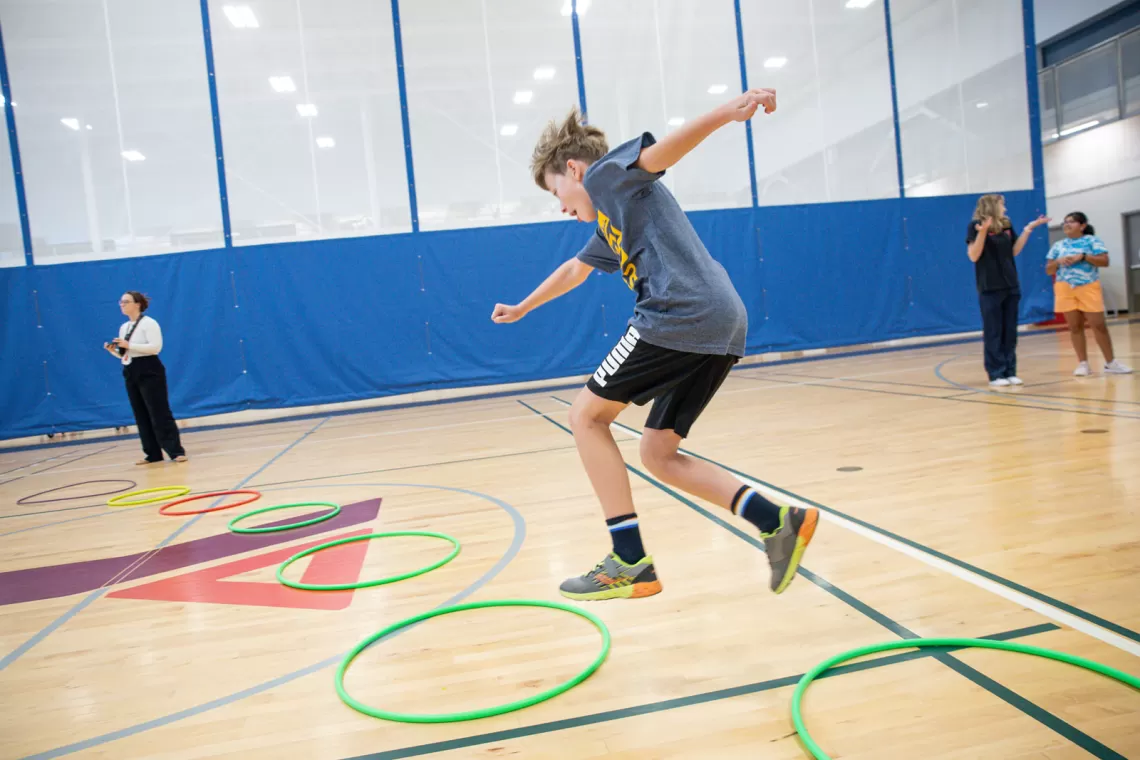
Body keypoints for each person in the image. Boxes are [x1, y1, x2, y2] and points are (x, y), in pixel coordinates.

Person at [491, 90, 818, 602]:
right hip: (721, 322)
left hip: (679, 314)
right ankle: (777, 520)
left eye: (557, 192)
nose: (561, 207)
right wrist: (524, 306)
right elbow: (576, 269)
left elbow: (661, 153)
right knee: (659, 453)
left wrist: (725, 113)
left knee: (585, 417)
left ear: (574, 170)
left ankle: (629, 560)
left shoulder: (606, 177)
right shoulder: (614, 218)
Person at [965, 194, 1049, 387]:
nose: (1005, 208)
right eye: (1002, 204)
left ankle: (1010, 371)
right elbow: (974, 255)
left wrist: (1028, 230)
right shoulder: (975, 226)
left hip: (1010, 284)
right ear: (992, 206)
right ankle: (995, 373)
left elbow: (1014, 251)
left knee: (1009, 331)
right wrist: (983, 233)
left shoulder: (1006, 225)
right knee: (993, 331)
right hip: (989, 286)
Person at [104, 291, 188, 465]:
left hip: (149, 369)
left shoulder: (149, 323)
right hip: (131, 369)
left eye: (126, 302)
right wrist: (114, 351)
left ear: (137, 304)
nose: (122, 305)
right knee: (140, 413)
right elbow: (126, 354)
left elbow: (155, 348)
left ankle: (175, 451)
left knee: (159, 411)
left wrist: (129, 345)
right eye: (121, 302)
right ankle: (152, 453)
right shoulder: (124, 327)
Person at [1046, 212, 1133, 376]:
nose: (1067, 225)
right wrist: (1058, 261)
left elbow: (1105, 261)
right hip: (1065, 288)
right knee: (1074, 327)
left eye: (1071, 222)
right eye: (1065, 222)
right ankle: (1083, 363)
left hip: (1088, 286)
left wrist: (1084, 257)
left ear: (1082, 225)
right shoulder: (1058, 245)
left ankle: (1110, 362)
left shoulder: (1092, 241)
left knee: (1098, 325)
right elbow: (1048, 270)